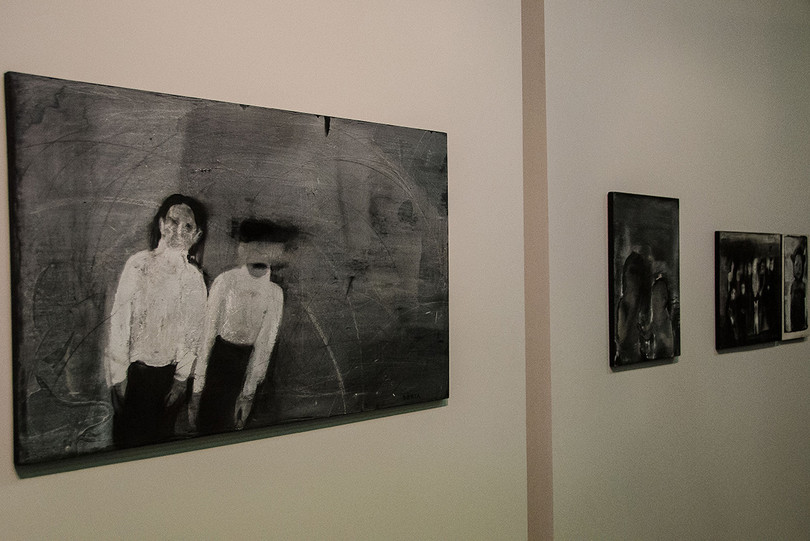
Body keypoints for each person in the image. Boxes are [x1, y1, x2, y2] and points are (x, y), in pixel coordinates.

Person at [105, 194, 208, 448]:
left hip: (168, 378)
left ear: (196, 235)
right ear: (162, 224)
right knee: (127, 444)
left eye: (187, 226)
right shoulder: (138, 264)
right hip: (134, 374)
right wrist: (117, 376)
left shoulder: (193, 279)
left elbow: (193, 334)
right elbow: (120, 323)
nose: (178, 231)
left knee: (160, 446)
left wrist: (181, 379)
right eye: (173, 221)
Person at [192, 219, 296, 434]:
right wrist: (197, 387)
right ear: (244, 248)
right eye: (256, 246)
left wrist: (248, 393)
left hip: (248, 366)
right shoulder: (225, 281)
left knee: (237, 428)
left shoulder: (275, 293)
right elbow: (207, 333)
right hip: (218, 362)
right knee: (208, 426)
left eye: (268, 247)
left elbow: (265, 345)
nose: (262, 253)